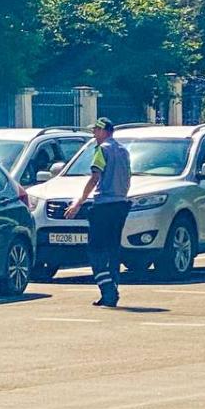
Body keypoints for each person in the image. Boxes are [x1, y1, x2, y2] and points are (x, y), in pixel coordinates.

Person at [65, 118, 131, 308]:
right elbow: (127, 177)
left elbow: (95, 177)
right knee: (113, 250)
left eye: (96, 130)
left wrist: (79, 202)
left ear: (105, 131)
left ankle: (107, 290)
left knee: (96, 251)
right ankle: (112, 290)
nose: (94, 134)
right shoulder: (123, 150)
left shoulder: (102, 150)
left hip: (104, 206)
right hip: (120, 205)